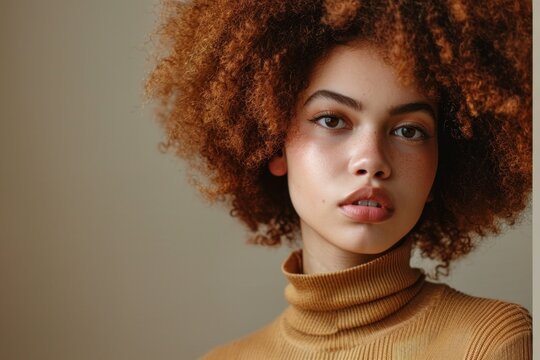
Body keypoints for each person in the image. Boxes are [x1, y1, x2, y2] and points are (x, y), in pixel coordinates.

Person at [146, 0, 532, 358]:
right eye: (332, 120)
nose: (372, 161)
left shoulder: (491, 343)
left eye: (409, 131)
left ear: (442, 163)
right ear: (274, 146)